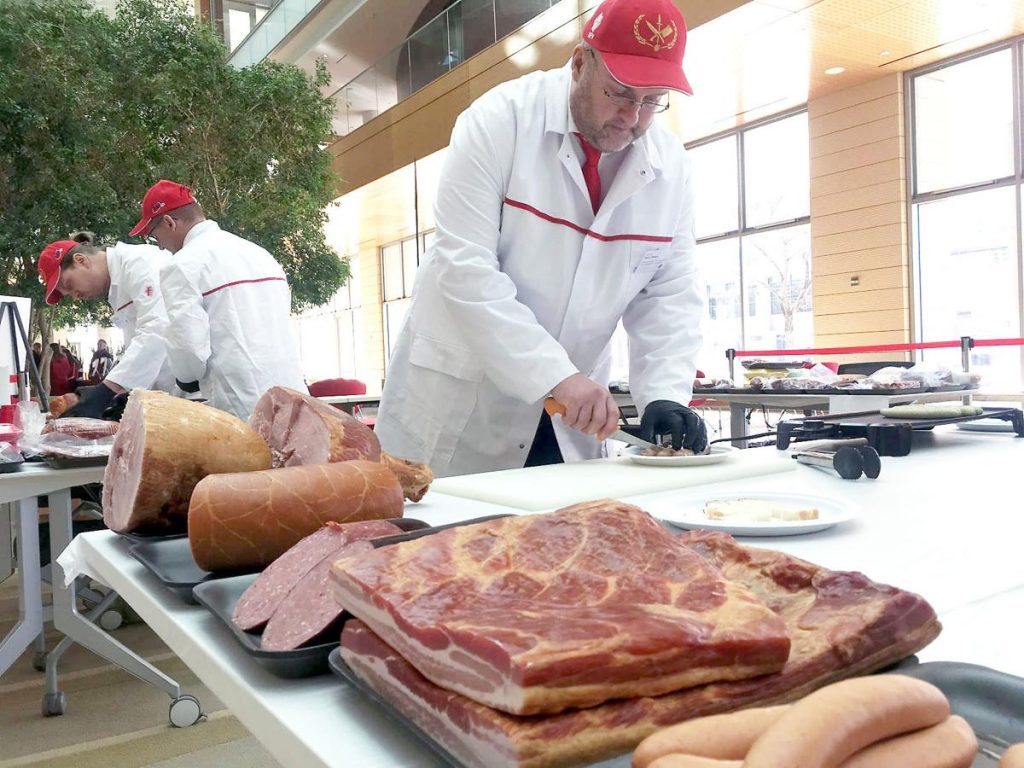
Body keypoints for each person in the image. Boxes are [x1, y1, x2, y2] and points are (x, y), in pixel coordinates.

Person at [375, 0, 707, 477]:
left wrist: (664, 395)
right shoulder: (499, 121)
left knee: (566, 543)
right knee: (438, 546)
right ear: (579, 64)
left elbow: (668, 294)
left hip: (572, 418)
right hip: (464, 406)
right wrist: (554, 375)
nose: (633, 117)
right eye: (619, 94)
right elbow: (464, 269)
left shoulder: (670, 167)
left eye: (652, 100)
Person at [129, 180, 307, 420]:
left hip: (242, 406)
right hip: (294, 398)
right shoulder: (259, 254)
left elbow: (188, 349)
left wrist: (186, 380)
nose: (159, 247)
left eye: (154, 235)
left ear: (170, 223)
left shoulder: (183, 265)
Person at [36, 232, 175, 418]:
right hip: (168, 397)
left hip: (199, 392)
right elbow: (139, 345)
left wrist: (107, 391)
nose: (75, 296)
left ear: (81, 260)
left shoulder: (140, 264)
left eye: (69, 285)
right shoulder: (117, 288)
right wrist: (121, 396)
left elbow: (158, 329)